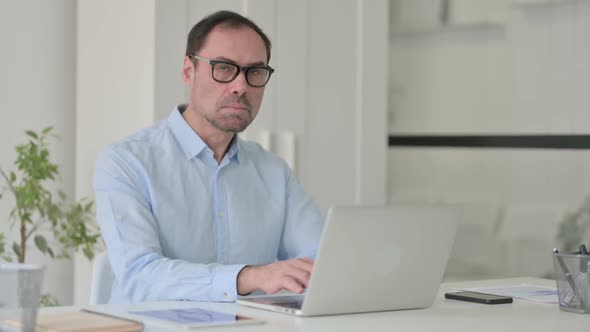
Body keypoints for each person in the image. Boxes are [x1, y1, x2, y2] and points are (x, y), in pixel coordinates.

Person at [93, 10, 324, 304]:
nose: (241, 86)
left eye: (255, 72)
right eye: (224, 68)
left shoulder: (274, 172)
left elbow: (321, 260)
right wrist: (248, 277)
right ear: (189, 71)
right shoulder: (126, 162)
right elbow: (140, 276)